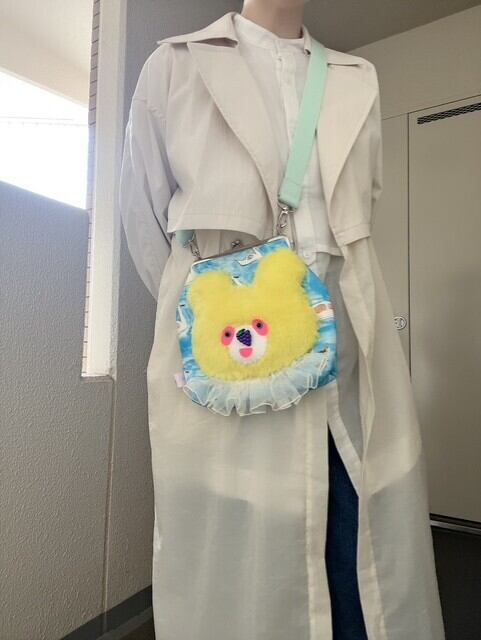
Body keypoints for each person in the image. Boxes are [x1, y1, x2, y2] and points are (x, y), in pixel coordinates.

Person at [119, 3, 446, 639]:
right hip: (238, 358)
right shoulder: (173, 66)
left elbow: (364, 211)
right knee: (247, 564)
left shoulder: (357, 76)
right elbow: (145, 226)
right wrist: (222, 311)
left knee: (359, 554)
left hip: (349, 350)